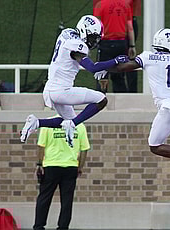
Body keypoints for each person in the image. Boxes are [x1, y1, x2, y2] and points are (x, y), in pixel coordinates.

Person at [102, 28, 170, 178]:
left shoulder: (148, 57)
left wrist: (102, 66)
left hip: (167, 106)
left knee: (155, 146)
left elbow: (122, 68)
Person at [20, 15, 129, 148]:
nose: (94, 41)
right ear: (84, 31)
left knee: (71, 121)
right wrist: (115, 60)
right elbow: (93, 68)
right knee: (102, 100)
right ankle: (70, 125)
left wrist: (104, 68)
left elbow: (80, 62)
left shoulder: (67, 34)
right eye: (93, 37)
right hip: (61, 91)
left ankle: (36, 122)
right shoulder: (77, 45)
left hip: (50, 89)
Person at [33, 117, 90, 230]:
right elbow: (84, 149)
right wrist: (80, 167)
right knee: (67, 199)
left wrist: (39, 164)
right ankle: (63, 227)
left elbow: (41, 146)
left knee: (44, 196)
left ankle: (39, 226)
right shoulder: (79, 125)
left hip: (50, 165)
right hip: (70, 166)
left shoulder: (49, 123)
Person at [94, 0, 136, 93]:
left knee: (102, 75)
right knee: (119, 77)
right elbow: (130, 27)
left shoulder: (100, 5)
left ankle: (99, 101)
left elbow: (95, 26)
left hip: (105, 44)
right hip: (121, 44)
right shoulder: (126, 5)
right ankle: (122, 104)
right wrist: (132, 46)